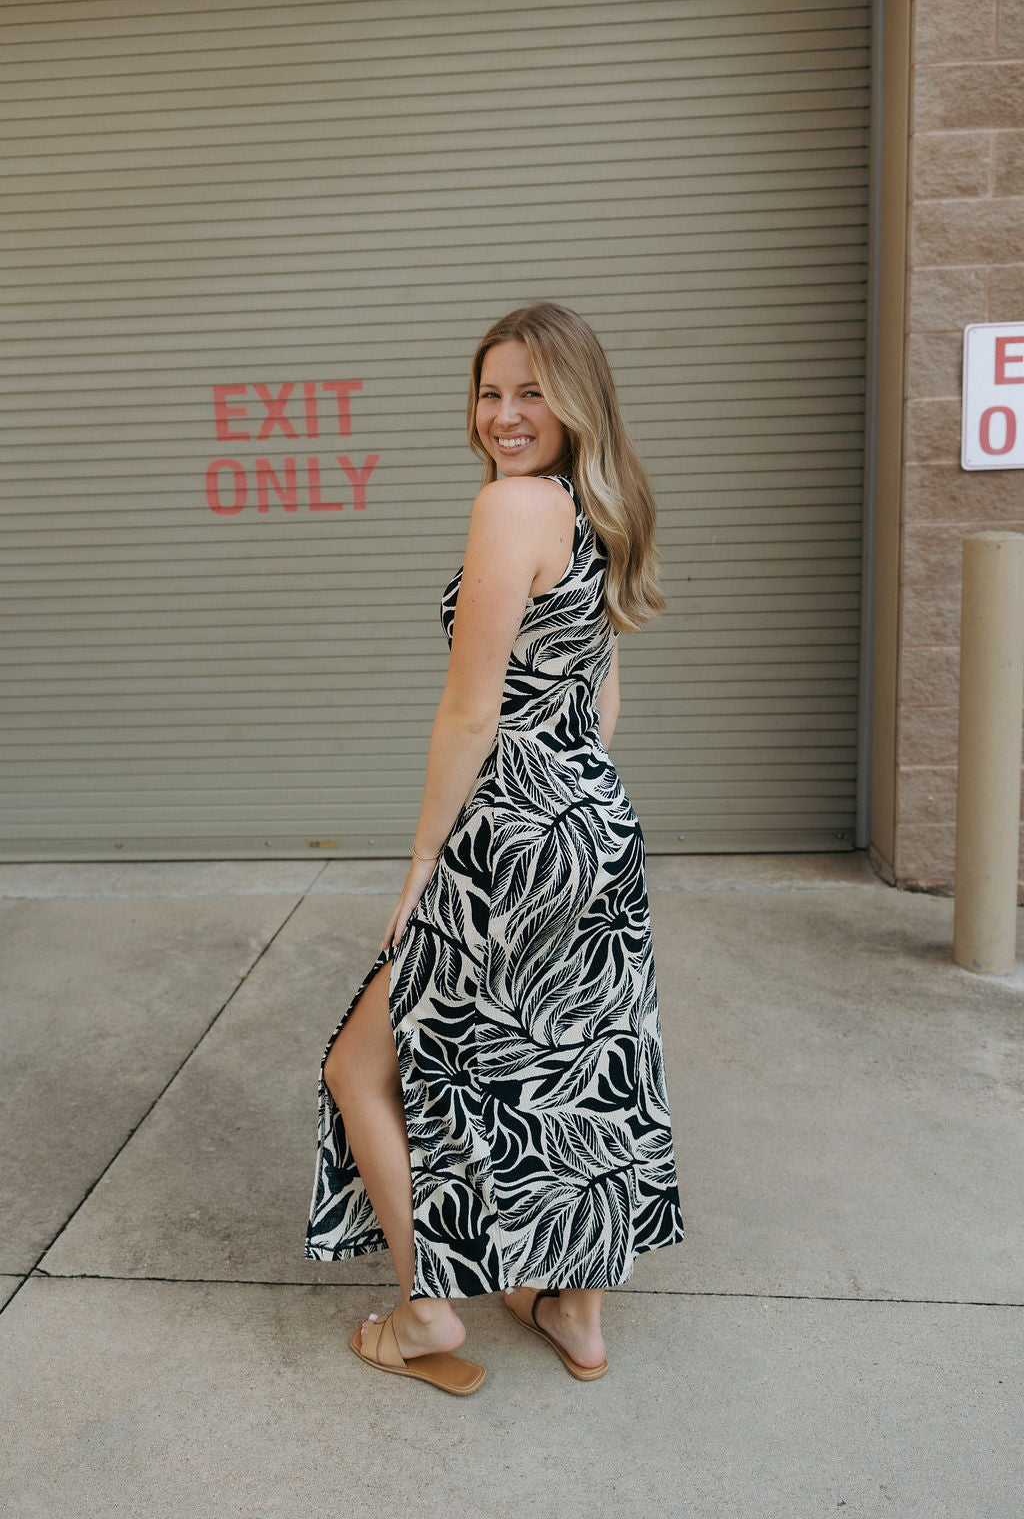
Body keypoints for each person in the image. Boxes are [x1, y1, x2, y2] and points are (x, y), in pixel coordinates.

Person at [305, 301, 684, 1394]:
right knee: (575, 1060)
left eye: (530, 392)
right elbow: (602, 697)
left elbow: (470, 711)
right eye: (489, 392)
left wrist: (428, 863)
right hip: (593, 821)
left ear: (576, 400)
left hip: (506, 831)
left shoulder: (511, 506)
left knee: (359, 1066)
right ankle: (576, 1315)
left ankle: (428, 1310)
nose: (504, 415)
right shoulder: (603, 505)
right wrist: (570, 799)